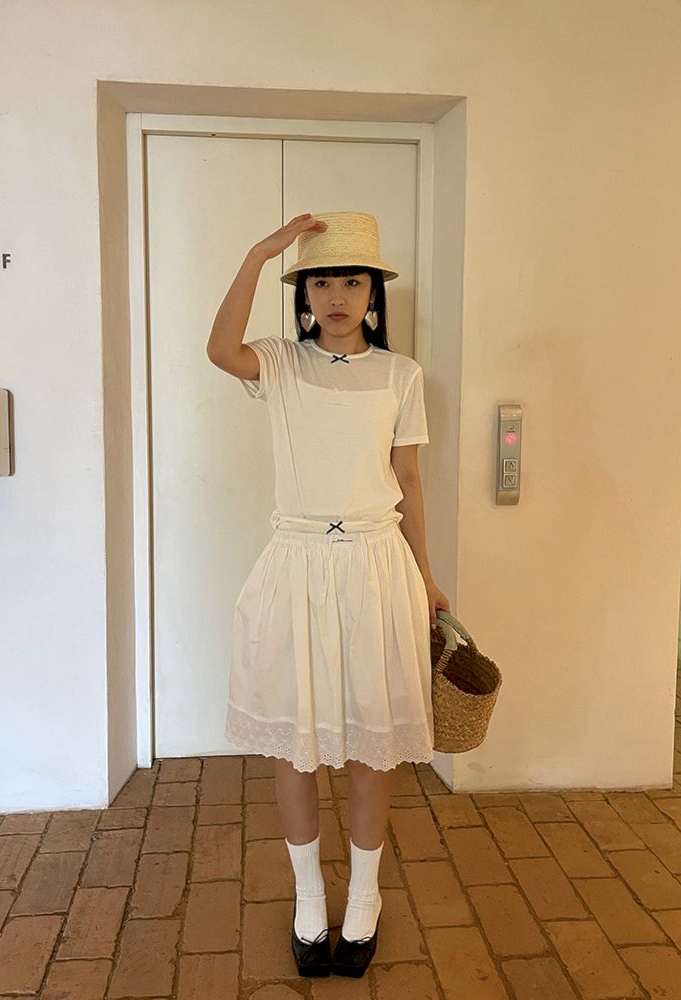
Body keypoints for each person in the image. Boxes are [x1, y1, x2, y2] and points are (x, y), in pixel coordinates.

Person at [206, 211, 450, 978]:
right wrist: (260, 252)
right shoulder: (280, 364)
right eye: (320, 282)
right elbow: (219, 349)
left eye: (351, 281)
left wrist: (427, 575)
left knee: (374, 745)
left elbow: (408, 480)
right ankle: (309, 898)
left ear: (373, 291)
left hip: (378, 565)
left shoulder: (402, 375)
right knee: (298, 745)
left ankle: (365, 897)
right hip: (298, 564)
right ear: (303, 293)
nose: (336, 296)